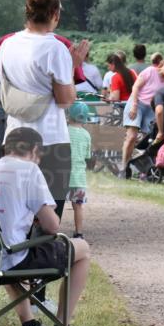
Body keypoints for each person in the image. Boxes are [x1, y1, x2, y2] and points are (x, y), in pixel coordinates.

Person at [0, 128, 92, 326]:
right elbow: (51, 226)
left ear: (4, 148)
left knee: (7, 246)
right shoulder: (29, 170)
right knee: (82, 249)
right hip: (7, 260)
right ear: (36, 150)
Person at [0, 0, 88, 219]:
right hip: (49, 141)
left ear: (27, 13)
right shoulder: (55, 48)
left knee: (15, 210)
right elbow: (65, 100)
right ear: (55, 14)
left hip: (14, 136)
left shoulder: (6, 45)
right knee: (49, 212)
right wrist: (72, 66)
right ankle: (42, 255)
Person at [121, 52, 164, 177]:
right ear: (162, 64)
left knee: (148, 140)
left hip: (151, 108)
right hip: (137, 103)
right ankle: (123, 167)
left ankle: (143, 168)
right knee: (131, 136)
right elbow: (135, 87)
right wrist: (134, 105)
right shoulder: (150, 70)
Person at [66, 102, 92, 239]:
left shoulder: (64, 131)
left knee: (55, 204)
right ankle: (79, 233)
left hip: (63, 175)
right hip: (79, 177)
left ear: (69, 115)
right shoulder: (87, 135)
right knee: (78, 206)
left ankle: (50, 231)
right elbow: (87, 156)